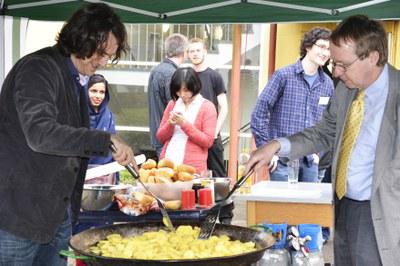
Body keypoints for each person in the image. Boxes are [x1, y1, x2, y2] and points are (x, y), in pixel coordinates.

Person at [245, 15, 398, 266]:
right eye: (334, 63)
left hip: (383, 214)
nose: (336, 72)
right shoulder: (346, 90)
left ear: (372, 57)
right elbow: (323, 132)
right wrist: (275, 146)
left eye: (343, 65)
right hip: (344, 206)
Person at [0, 3, 138, 265]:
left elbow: (71, 139)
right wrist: (104, 139)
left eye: (108, 56)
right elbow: (40, 134)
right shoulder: (38, 69)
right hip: (18, 218)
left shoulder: (74, 78)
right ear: (79, 38)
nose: (102, 63)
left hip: (56, 215)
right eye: (99, 54)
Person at [251, 27, 334, 183]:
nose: (325, 53)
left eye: (329, 49)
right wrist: (268, 151)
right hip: (282, 161)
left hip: (311, 162)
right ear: (308, 46)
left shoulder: (327, 84)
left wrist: (320, 153)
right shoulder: (283, 76)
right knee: (283, 207)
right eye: (321, 46)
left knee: (308, 208)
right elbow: (259, 114)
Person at [156, 67, 217, 173]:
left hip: (192, 169)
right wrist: (170, 124)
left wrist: (184, 124)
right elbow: (160, 137)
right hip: (167, 165)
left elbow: (208, 141)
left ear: (195, 86)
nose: (182, 94)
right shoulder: (173, 104)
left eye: (186, 90)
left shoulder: (207, 107)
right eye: (178, 91)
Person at [187, 38, 228, 177]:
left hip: (212, 136)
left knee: (218, 178)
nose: (195, 54)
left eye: (198, 50)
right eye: (191, 51)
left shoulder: (214, 76)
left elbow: (224, 107)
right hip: (191, 137)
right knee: (192, 177)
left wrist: (214, 132)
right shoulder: (186, 77)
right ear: (187, 54)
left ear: (204, 51)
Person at [147, 33, 188, 159]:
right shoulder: (172, 74)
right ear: (184, 52)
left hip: (157, 133)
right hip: (167, 138)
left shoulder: (156, 70)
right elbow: (175, 108)